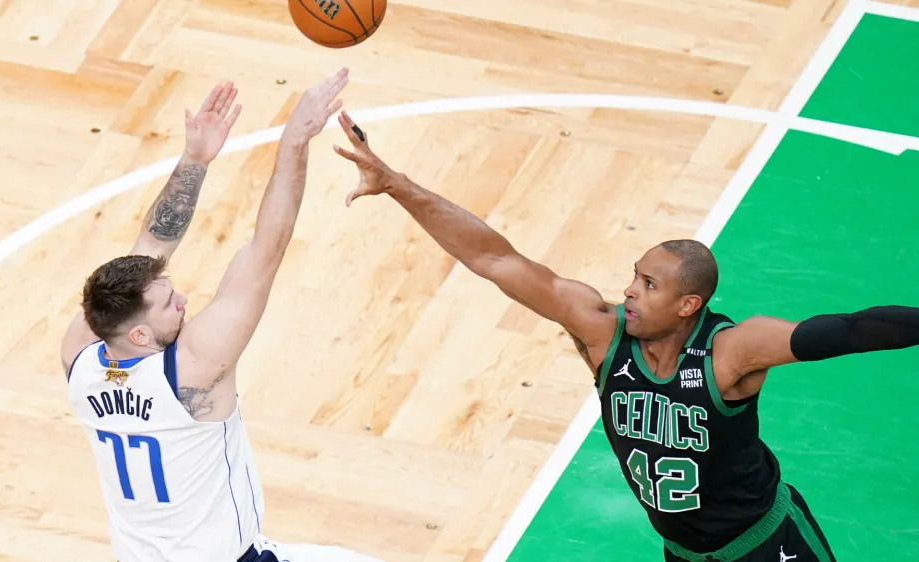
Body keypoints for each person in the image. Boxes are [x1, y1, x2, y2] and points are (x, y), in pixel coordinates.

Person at [331, 110, 919, 562]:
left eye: (649, 284)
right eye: (634, 277)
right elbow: (494, 259)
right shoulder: (602, 333)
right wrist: (397, 185)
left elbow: (852, 329)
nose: (630, 291)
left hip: (766, 547)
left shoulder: (730, 352)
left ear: (688, 304)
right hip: (685, 553)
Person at [62, 70, 381, 562]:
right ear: (142, 333)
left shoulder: (82, 354)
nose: (184, 299)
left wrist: (195, 160)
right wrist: (295, 139)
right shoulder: (194, 369)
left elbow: (151, 244)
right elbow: (267, 248)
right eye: (171, 304)